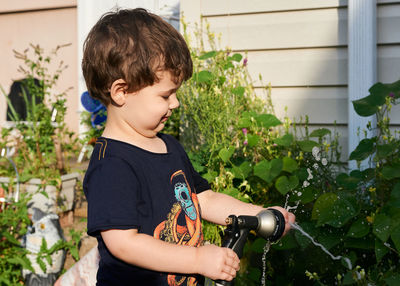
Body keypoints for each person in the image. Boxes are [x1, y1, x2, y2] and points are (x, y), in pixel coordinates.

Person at [81, 8, 295, 286]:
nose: (175, 103)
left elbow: (203, 199)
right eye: (166, 95)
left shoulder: (168, 146)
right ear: (121, 92)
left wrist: (259, 214)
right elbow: (123, 243)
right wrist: (196, 260)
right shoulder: (112, 165)